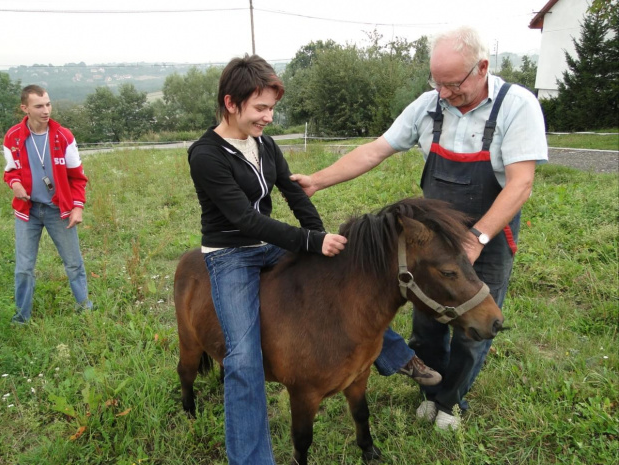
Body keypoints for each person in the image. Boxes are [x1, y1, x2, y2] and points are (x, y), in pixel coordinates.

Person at [291, 26, 548, 431]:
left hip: (489, 237)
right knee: (427, 322)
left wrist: (477, 237)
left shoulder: (517, 106)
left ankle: (450, 402)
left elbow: (521, 183)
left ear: (482, 68)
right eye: (437, 83)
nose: (443, 93)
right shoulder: (429, 106)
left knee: (473, 327)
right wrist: (318, 181)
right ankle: (431, 391)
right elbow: (377, 149)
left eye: (453, 84)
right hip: (432, 239)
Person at [187, 55, 439, 464]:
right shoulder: (206, 154)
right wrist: (308, 241)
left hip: (268, 243)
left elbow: (293, 193)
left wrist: (321, 239)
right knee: (243, 359)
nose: (269, 118)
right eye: (261, 109)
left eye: (271, 108)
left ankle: (397, 357)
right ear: (231, 103)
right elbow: (244, 219)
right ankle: (251, 459)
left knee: (347, 277)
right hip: (230, 255)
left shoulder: (264, 145)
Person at [3, 85, 92, 324]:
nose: (46, 110)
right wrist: (14, 184)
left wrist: (78, 206)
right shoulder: (13, 137)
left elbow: (78, 177)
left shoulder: (63, 136)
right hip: (28, 211)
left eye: (48, 104)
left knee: (74, 264)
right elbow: (9, 172)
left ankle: (85, 310)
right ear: (25, 108)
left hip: (58, 210)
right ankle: (21, 317)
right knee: (23, 267)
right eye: (39, 106)